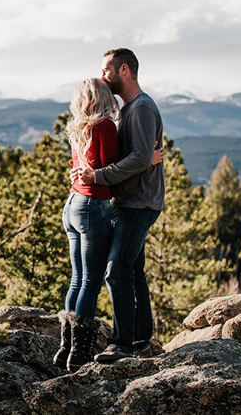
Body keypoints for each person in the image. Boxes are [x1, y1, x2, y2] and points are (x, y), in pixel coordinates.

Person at [76, 48, 166, 362]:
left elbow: (141, 158)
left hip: (139, 204)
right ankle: (141, 340)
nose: (103, 76)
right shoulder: (129, 109)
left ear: (124, 70)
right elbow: (141, 157)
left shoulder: (140, 108)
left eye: (107, 70)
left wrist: (98, 176)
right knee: (134, 271)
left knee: (115, 271)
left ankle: (122, 344)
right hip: (131, 200)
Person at [53, 78, 120, 372]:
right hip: (93, 206)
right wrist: (148, 161)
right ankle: (79, 354)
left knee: (77, 279)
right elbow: (111, 170)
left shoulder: (77, 128)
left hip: (72, 205)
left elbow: (79, 167)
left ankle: (64, 348)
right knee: (91, 281)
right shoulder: (104, 126)